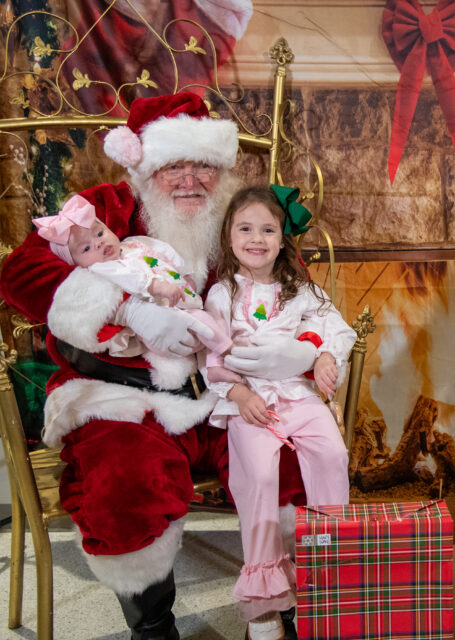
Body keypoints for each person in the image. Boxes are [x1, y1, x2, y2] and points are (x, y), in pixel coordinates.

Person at [0, 93, 320, 640]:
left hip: (229, 391)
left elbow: (297, 289)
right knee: (125, 481)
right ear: (145, 167)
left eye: (203, 166)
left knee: (297, 462)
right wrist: (123, 309)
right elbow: (20, 275)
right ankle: (153, 629)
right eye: (174, 166)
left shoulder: (242, 218)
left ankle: (282, 609)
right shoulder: (101, 209)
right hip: (124, 394)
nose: (189, 181)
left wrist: (297, 347)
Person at [201, 185, 354, 640]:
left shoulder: (301, 289)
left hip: (297, 394)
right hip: (250, 399)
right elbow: (211, 358)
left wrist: (324, 357)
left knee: (332, 454)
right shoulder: (222, 294)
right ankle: (265, 598)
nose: (257, 239)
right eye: (245, 229)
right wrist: (238, 395)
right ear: (229, 237)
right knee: (260, 478)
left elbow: (335, 327)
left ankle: (324, 573)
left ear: (282, 238)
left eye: (268, 230)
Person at [32, 193, 233, 367]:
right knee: (186, 332)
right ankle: (227, 352)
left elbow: (163, 249)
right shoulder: (101, 269)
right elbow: (133, 280)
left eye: (100, 233)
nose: (99, 243)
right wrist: (156, 286)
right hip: (160, 314)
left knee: (209, 322)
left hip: (181, 294)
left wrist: (184, 271)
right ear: (77, 264)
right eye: (86, 248)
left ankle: (219, 360)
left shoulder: (134, 243)